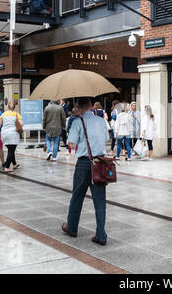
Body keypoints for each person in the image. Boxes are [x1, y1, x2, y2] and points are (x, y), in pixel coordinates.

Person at [62, 97, 109, 246]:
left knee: (77, 196)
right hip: (99, 163)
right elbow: (106, 138)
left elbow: (72, 143)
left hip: (83, 163)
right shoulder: (101, 121)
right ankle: (101, 235)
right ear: (90, 107)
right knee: (100, 200)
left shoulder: (77, 122)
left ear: (79, 108)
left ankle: (72, 227)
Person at [0, 102, 23, 173]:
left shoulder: (3, 114)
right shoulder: (16, 114)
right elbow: (21, 124)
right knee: (11, 151)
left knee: (11, 149)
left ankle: (14, 164)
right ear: (14, 107)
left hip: (4, 134)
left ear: (8, 107)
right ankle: (7, 167)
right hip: (12, 134)